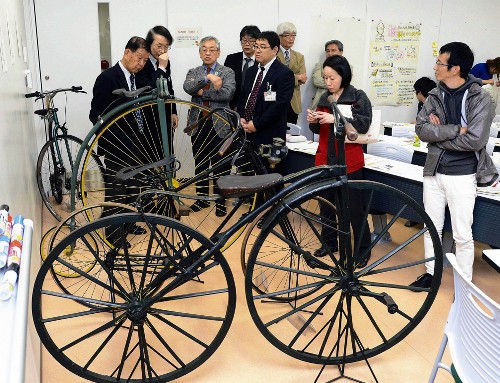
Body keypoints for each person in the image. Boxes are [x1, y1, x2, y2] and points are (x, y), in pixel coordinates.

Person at [411, 42, 498, 289]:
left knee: (462, 234)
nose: (436, 67)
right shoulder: (435, 94)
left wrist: (438, 136)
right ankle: (431, 273)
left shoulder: (481, 97)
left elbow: (474, 140)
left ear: (455, 68)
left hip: (463, 173)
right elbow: (421, 129)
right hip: (433, 170)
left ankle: (464, 284)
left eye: (440, 63)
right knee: (431, 227)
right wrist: (452, 130)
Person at [306, 55, 372, 266]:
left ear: (343, 76)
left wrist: (334, 119)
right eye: (325, 78)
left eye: (332, 78)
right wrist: (313, 121)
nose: (328, 82)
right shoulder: (324, 97)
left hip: (349, 160)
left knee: (355, 209)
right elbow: (318, 130)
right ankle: (329, 242)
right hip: (326, 157)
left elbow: (362, 125)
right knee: (326, 205)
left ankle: (362, 249)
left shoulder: (357, 96)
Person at [89, 36, 150, 245]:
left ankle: (128, 222)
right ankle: (114, 235)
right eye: (139, 59)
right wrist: (116, 133)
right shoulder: (108, 78)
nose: (141, 64)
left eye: (144, 61)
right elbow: (95, 114)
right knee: (117, 188)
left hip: (137, 141)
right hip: (118, 143)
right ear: (127, 53)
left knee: (134, 185)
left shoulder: (137, 78)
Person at [183, 36, 236, 216]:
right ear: (199, 53)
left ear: (218, 52)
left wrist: (202, 93)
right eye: (204, 49)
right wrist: (208, 79)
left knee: (222, 165)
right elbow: (187, 88)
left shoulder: (227, 72)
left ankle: (221, 202)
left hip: (220, 125)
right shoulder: (194, 71)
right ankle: (202, 199)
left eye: (212, 49)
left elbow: (227, 94)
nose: (207, 52)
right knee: (201, 164)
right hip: (198, 124)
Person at [237, 30, 294, 171]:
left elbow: (279, 106)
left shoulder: (284, 73)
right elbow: (243, 97)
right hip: (246, 131)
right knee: (246, 175)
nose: (257, 51)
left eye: (262, 47)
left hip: (269, 134)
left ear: (275, 50)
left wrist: (256, 124)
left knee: (270, 178)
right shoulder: (251, 72)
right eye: (256, 46)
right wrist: (242, 117)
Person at [137, 26, 178, 161]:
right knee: (151, 158)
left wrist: (173, 111)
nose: (163, 50)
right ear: (149, 44)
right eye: (159, 46)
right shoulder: (142, 62)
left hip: (165, 116)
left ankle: (169, 180)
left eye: (166, 47)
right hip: (148, 117)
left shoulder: (166, 62)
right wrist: (161, 67)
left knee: (167, 155)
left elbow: (169, 87)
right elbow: (150, 88)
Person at [276, 22, 307, 124]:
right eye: (287, 35)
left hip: (294, 103)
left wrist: (286, 78)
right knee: (277, 137)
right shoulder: (273, 54)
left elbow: (303, 78)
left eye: (293, 36)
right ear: (279, 37)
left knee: (292, 136)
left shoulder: (299, 56)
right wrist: (295, 77)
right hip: (276, 101)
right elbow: (276, 79)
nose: (291, 39)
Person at [224, 25, 261, 110]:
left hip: (256, 107)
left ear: (257, 42)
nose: (247, 44)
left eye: (251, 41)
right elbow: (226, 84)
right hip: (233, 107)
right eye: (244, 41)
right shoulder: (231, 59)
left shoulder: (262, 61)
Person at [311, 40, 344, 109]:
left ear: (341, 52)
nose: (330, 53)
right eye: (328, 51)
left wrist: (324, 79)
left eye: (333, 50)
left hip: (340, 102)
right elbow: (316, 81)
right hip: (320, 102)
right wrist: (336, 82)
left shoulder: (347, 67)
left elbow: (343, 83)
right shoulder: (320, 65)